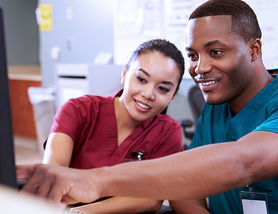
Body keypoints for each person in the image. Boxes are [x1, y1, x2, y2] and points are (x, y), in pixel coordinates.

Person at [17, 0, 278, 214]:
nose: (200, 67)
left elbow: (243, 162)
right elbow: (185, 191)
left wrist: (97, 180)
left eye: (215, 52)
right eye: (193, 55)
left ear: (254, 49)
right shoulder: (217, 110)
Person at [41, 39, 185, 213]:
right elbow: (52, 176)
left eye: (163, 89)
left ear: (173, 95)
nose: (148, 94)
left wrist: (84, 211)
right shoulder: (78, 110)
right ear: (124, 74)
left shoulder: (168, 131)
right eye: (141, 79)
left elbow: (151, 198)